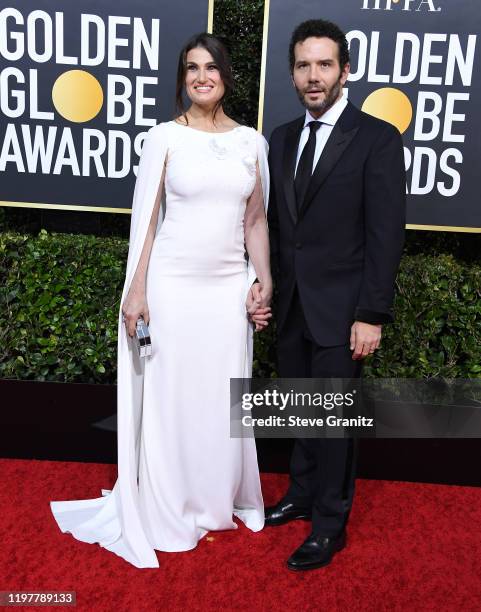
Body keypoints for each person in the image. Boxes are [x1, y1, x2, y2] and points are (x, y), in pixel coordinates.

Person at [50, 33, 272, 569]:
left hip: (226, 290)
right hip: (172, 286)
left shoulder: (252, 143)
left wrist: (264, 281)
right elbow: (146, 223)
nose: (201, 76)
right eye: (192, 68)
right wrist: (137, 290)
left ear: (226, 75)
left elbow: (256, 220)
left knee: (220, 398)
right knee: (172, 399)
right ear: (183, 78)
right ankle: (169, 504)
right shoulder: (161, 139)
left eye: (211, 67)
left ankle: (214, 498)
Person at [252, 19, 406, 571]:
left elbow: (386, 234)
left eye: (324, 65)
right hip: (291, 305)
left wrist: (371, 313)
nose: (313, 76)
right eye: (302, 65)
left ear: (346, 70)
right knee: (299, 409)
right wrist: (262, 280)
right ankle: (300, 493)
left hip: (343, 312)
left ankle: (329, 524)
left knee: (334, 422)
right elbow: (272, 223)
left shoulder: (377, 139)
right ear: (291, 73)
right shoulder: (283, 139)